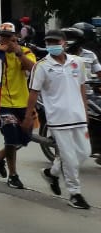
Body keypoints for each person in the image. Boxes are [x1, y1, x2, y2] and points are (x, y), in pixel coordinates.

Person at [25, 31, 91, 210]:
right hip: (58, 119)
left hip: (78, 118)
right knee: (69, 157)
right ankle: (74, 193)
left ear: (63, 43)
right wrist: (28, 116)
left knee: (84, 152)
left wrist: (84, 112)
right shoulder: (42, 66)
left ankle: (52, 173)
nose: (52, 44)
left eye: (55, 41)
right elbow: (34, 93)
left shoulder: (77, 62)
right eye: (48, 42)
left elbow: (82, 88)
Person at [0, 23, 36, 190]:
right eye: (2, 36)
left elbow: (33, 70)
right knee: (11, 136)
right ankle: (13, 175)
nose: (5, 39)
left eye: (8, 36)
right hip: (2, 102)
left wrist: (18, 53)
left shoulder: (24, 52)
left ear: (15, 37)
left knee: (25, 138)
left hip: (22, 102)